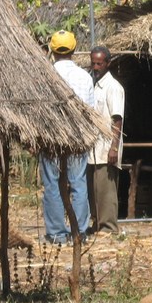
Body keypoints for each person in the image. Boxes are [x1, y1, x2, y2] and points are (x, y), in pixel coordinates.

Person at [40, 30, 94, 244]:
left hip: (51, 137)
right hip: (78, 137)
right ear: (73, 49)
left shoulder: (44, 76)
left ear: (52, 50)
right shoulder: (85, 77)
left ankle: (56, 234)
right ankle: (79, 232)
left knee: (52, 184)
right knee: (78, 183)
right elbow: (90, 111)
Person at [87, 45, 125, 234]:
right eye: (93, 63)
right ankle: (97, 225)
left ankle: (109, 228)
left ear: (107, 63)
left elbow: (117, 119)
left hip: (106, 148)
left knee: (106, 192)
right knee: (94, 190)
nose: (95, 67)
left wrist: (114, 147)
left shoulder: (113, 87)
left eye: (99, 64)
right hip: (93, 148)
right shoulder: (94, 85)